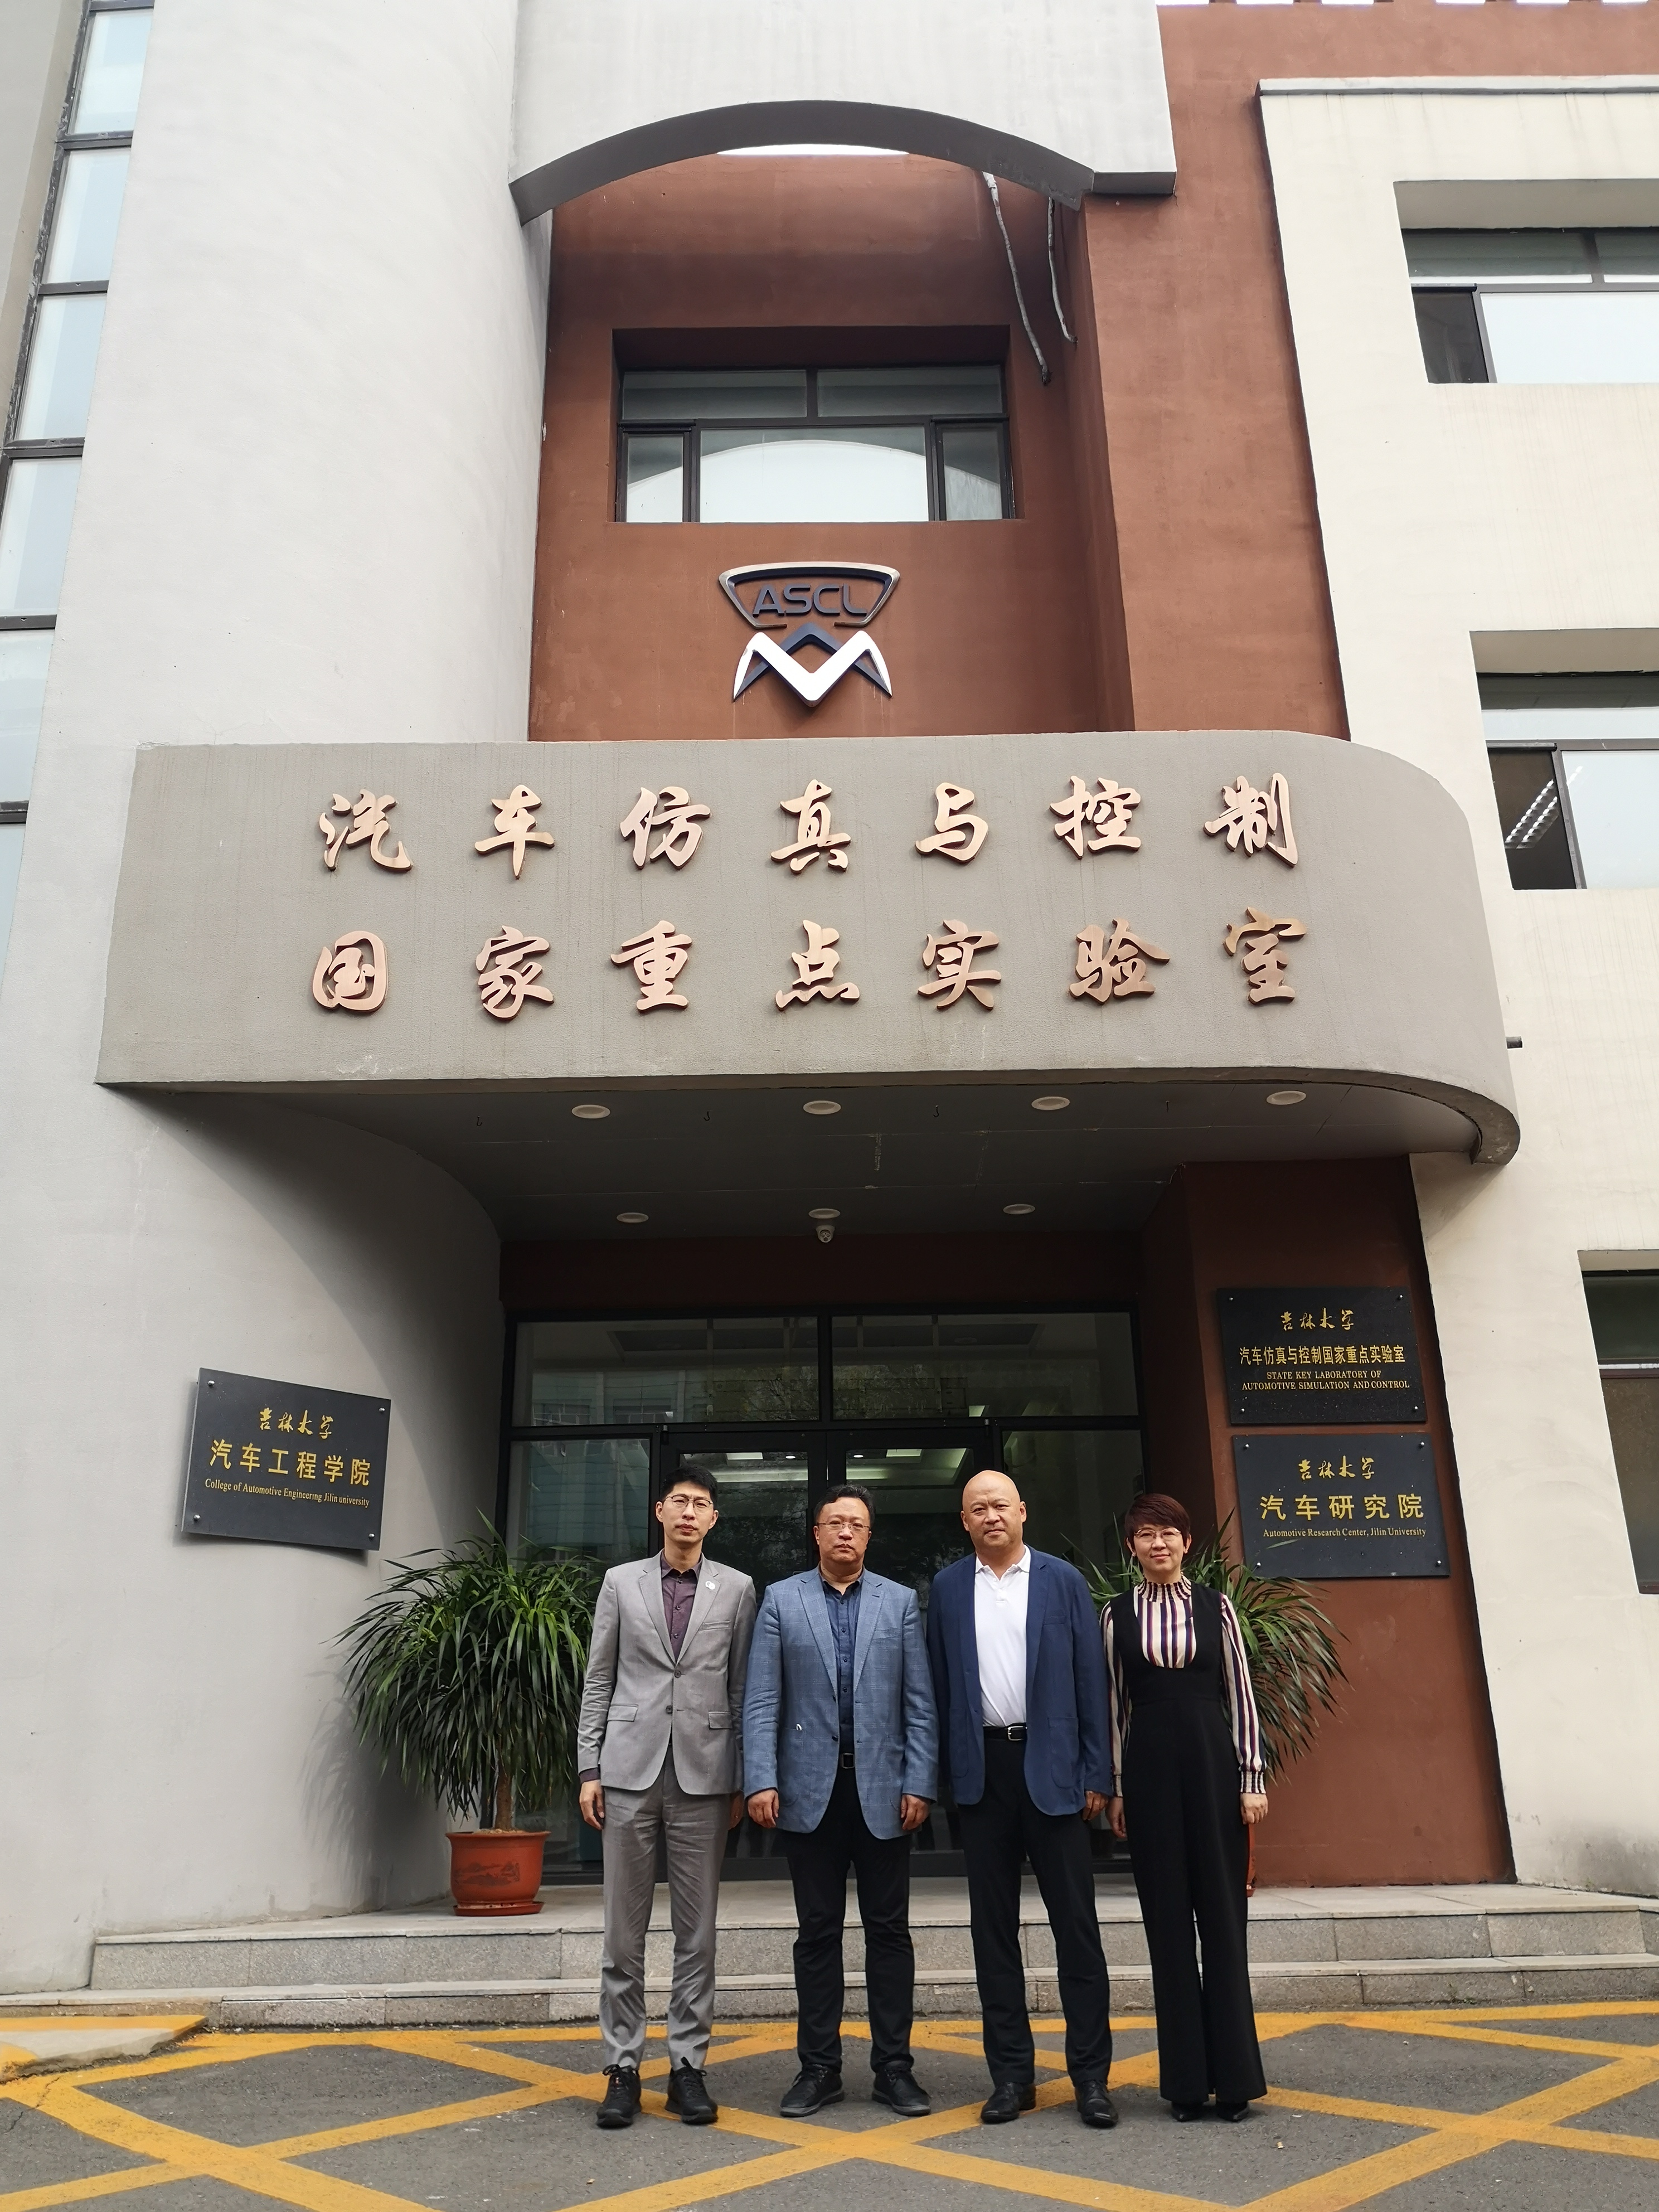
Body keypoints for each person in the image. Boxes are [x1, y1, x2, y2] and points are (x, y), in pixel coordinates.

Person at [925, 1468, 1117, 2129]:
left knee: (1077, 1929)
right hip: (984, 1771)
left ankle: (1090, 2076)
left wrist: (1098, 1771)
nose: (991, 1515)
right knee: (993, 1932)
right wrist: (945, 1775)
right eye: (978, 1507)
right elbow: (939, 1685)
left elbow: (1091, 1679)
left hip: (1055, 1768)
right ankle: (1011, 2075)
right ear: (965, 1520)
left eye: (1000, 1504)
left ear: (1023, 1511)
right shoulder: (949, 1587)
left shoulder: (1063, 1580)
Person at [743, 1484, 939, 2118]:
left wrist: (919, 1781)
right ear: (817, 1533)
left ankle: (895, 2069)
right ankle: (819, 2068)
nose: (845, 1532)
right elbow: (763, 1699)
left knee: (890, 1933)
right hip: (808, 1793)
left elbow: (919, 1702)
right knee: (817, 1933)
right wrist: (760, 1778)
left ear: (869, 1534)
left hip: (885, 1792)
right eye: (834, 1523)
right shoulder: (782, 1598)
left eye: (856, 1523)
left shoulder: (900, 1601)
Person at [576, 1467, 756, 2131]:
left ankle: (687, 2066)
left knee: (696, 1932)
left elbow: (741, 1687)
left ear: (713, 1518)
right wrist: (589, 1764)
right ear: (660, 1510)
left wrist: (740, 1775)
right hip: (628, 1770)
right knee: (622, 1934)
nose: (688, 1511)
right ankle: (623, 2066)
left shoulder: (737, 1588)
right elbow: (599, 1677)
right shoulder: (621, 1581)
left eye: (700, 1503)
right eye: (679, 1500)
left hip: (704, 1776)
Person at [1103, 1492, 1268, 2123]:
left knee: (1223, 1920)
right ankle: (1186, 2084)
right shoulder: (1116, 1614)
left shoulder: (1215, 1606)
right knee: (1168, 1925)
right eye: (1147, 1533)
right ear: (1132, 1547)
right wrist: (1119, 1787)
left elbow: (1240, 1693)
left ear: (1186, 1542)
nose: (1159, 1543)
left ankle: (1236, 2078)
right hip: (1148, 1773)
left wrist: (1251, 1778)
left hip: (1211, 1767)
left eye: (1168, 1532)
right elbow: (1116, 1705)